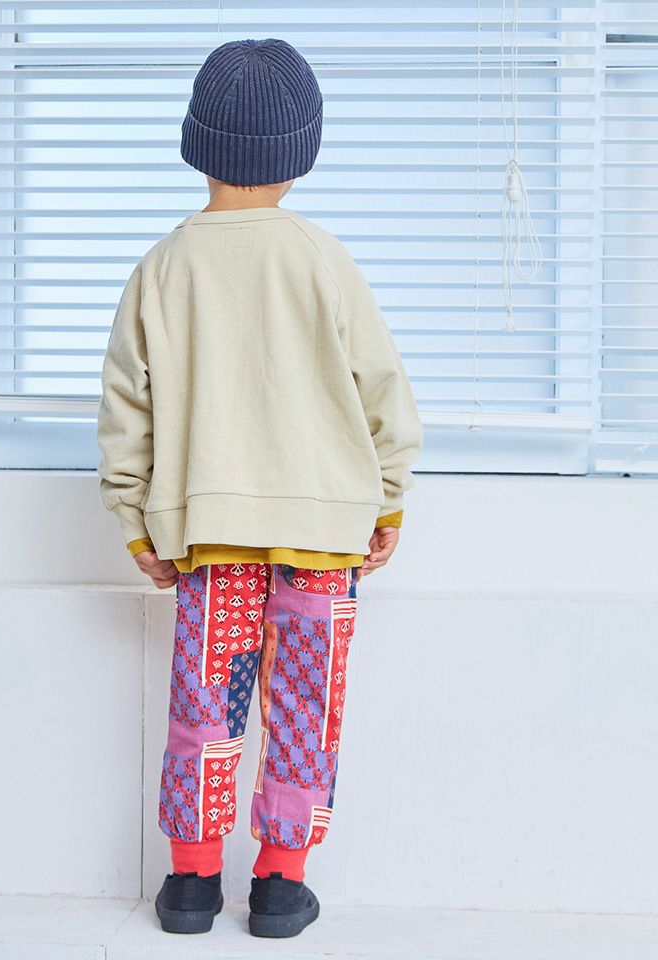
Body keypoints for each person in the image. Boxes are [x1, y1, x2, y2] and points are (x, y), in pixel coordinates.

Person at [96, 37, 423, 938]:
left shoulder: (163, 268)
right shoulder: (323, 259)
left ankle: (191, 884)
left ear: (196, 145)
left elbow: (127, 409)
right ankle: (280, 885)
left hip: (211, 537)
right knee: (305, 704)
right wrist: (387, 499)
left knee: (205, 704)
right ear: (301, 152)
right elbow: (382, 389)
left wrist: (137, 521)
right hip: (323, 534)